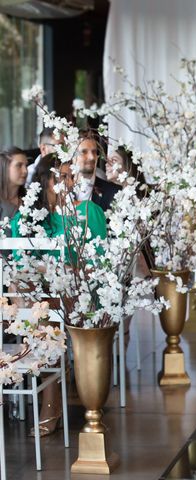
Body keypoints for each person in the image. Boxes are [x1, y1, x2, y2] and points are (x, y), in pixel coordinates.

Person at [10, 153, 107, 437]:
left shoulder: (83, 214)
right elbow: (21, 263)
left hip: (79, 296)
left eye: (70, 177)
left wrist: (61, 270)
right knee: (34, 298)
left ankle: (51, 397)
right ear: (44, 181)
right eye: (60, 177)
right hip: (38, 299)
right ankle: (53, 388)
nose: (67, 183)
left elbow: (94, 264)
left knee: (45, 306)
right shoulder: (28, 216)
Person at [73, 130, 120, 211]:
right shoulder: (60, 190)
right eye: (84, 152)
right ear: (72, 156)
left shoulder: (115, 193)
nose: (92, 157)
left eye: (94, 152)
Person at [0, 147, 28, 222]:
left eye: (26, 166)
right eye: (19, 165)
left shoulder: (30, 198)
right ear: (4, 167)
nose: (25, 171)